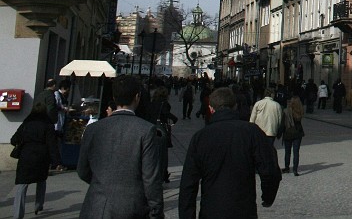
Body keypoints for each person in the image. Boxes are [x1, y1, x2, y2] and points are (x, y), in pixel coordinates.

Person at [179, 87, 281, 218]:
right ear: (235, 106)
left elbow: (188, 184)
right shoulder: (251, 132)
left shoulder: (200, 137)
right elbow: (270, 169)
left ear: (211, 108)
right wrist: (268, 197)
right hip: (244, 210)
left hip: (211, 210)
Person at [77, 74, 164, 219]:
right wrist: (156, 211)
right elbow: (151, 178)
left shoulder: (93, 129)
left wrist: (102, 182)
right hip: (130, 207)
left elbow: (82, 170)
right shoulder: (146, 130)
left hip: (95, 206)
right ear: (137, 97)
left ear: (114, 97)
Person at [10, 102, 60, 219]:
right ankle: (38, 205)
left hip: (26, 155)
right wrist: (56, 161)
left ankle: (18, 214)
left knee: (22, 184)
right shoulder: (48, 124)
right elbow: (52, 144)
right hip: (42, 157)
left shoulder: (26, 123)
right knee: (41, 180)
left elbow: (14, 140)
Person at [281, 96, 305, 176]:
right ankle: (295, 170)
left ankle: (287, 168)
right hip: (298, 133)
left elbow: (283, 124)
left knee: (287, 152)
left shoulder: (287, 111)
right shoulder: (300, 111)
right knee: (296, 152)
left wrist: (279, 133)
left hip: (288, 133)